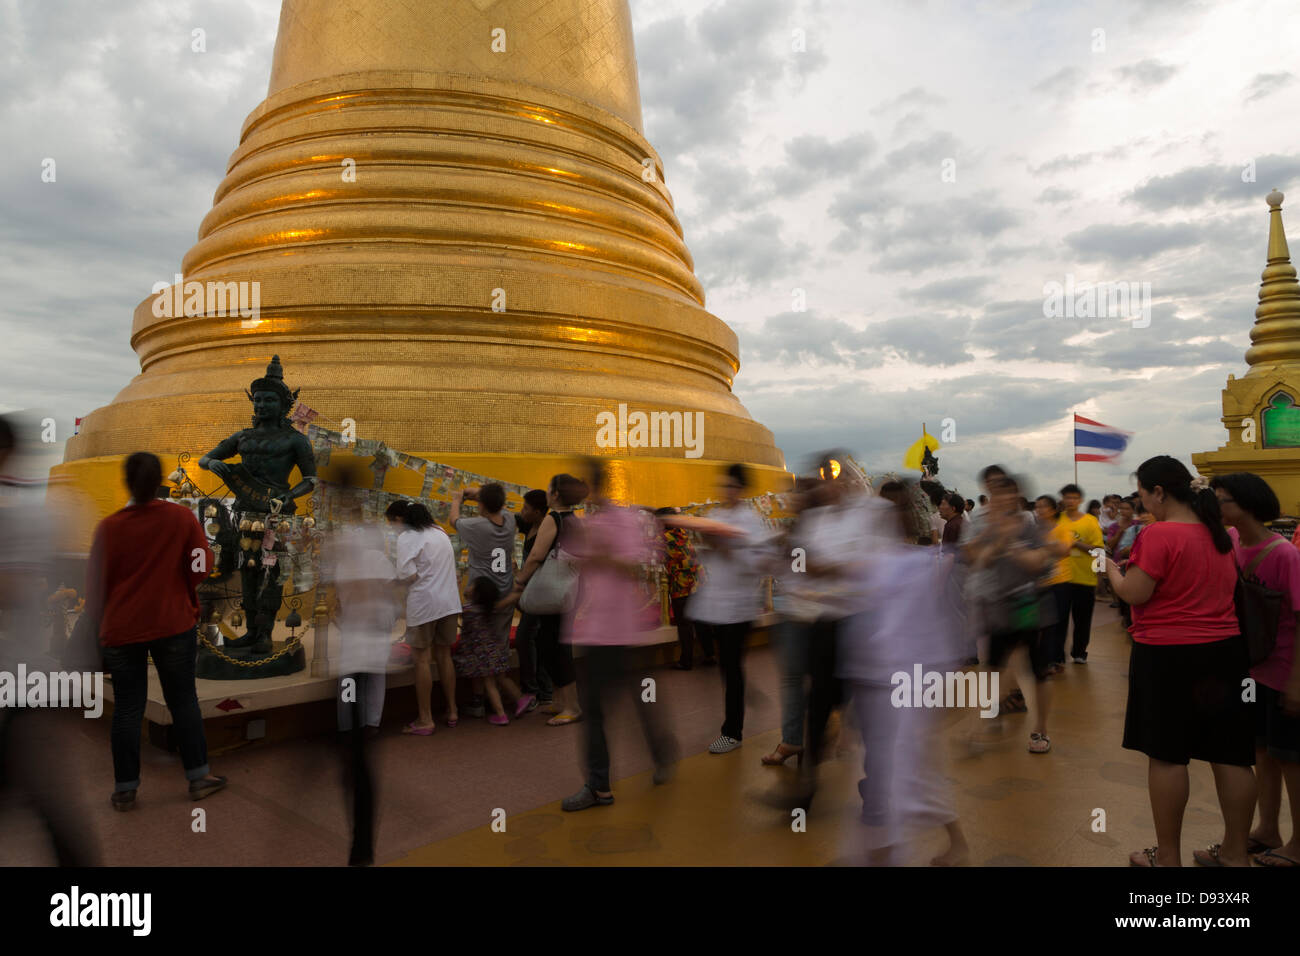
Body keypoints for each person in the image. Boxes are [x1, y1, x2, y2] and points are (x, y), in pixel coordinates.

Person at [1105, 456, 1255, 867]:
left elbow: (1136, 593)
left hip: (1167, 656)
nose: (1143, 503)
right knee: (1232, 756)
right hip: (1224, 653)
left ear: (1158, 492)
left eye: (1142, 494)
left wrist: (1112, 572)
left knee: (1168, 755)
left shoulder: (1159, 535)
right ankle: (1236, 855)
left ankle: (1167, 856)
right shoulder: (1221, 535)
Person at [85, 452, 226, 808]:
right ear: (161, 480)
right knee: (183, 700)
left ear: (127, 482)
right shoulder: (180, 518)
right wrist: (179, 587)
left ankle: (125, 788)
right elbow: (201, 564)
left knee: (128, 708)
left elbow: (95, 586)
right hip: (172, 622)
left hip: (122, 629)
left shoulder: (109, 528)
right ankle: (198, 776)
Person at [841, 479, 969, 865]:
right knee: (900, 778)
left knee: (898, 779)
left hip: (903, 685)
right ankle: (931, 846)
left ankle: (892, 851)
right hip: (880, 684)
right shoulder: (882, 563)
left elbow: (916, 631)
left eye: (890, 510)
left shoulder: (914, 565)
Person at [560, 460, 677, 810]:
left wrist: (601, 554)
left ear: (592, 485)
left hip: (616, 629)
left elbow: (634, 567)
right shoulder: (592, 522)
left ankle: (600, 786)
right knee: (626, 700)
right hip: (597, 628)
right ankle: (661, 749)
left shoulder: (624, 521)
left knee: (598, 710)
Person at [1211, 472, 1300, 867]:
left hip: (1283, 671)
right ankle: (1267, 829)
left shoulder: (1284, 555)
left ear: (1245, 504)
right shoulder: (1231, 544)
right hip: (1251, 670)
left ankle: (1298, 844)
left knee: (1291, 759)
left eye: (1222, 500)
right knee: (1262, 752)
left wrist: (1297, 682)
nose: (1216, 507)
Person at [683, 463, 771, 754]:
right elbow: (709, 557)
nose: (726, 491)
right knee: (727, 665)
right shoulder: (716, 516)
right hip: (717, 604)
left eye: (731, 486)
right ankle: (742, 700)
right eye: (723, 486)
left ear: (741, 489)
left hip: (738, 606)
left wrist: (727, 549)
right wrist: (707, 548)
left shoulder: (750, 520)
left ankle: (732, 731)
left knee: (731, 668)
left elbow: (758, 563)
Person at [966, 474, 1055, 753]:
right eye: (995, 495)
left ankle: (1040, 731)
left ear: (1016, 497)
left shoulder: (1030, 526)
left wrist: (1009, 544)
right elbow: (975, 558)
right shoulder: (990, 528)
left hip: (1031, 605)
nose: (1000, 500)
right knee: (993, 669)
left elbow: (1038, 561)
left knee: (1039, 672)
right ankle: (987, 722)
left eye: (1006, 494)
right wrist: (992, 541)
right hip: (1000, 607)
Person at [500, 474, 585, 726]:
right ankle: (559, 700)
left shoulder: (554, 517)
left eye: (550, 488)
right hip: (570, 590)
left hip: (554, 590)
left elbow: (537, 555)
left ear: (556, 494)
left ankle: (572, 705)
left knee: (555, 648)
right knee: (549, 642)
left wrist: (519, 583)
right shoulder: (573, 519)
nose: (547, 491)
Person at [451, 482, 533, 717]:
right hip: (504, 593)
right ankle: (496, 697)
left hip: (481, 597)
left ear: (482, 505)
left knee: (477, 648)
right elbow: (498, 504)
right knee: (496, 648)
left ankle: (480, 700)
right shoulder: (509, 520)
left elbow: (453, 520)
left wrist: (458, 498)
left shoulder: (476, 525)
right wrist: (481, 495)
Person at [396, 503, 461, 734]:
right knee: (444, 656)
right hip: (449, 603)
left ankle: (425, 719)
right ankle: (452, 710)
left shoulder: (407, 537)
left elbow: (408, 575)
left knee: (421, 660)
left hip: (424, 604)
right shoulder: (441, 533)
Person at [455, 577, 529, 724]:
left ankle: (501, 714)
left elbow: (455, 609)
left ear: (476, 593)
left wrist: (456, 587)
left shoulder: (468, 610)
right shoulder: (487, 608)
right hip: (494, 651)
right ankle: (521, 699)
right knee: (502, 678)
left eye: (471, 585)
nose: (468, 586)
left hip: (483, 655)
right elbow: (506, 602)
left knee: (490, 684)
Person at [513, 489, 553, 710]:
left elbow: (537, 559)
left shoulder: (546, 531)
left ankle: (532, 691)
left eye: (526, 508)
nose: (522, 511)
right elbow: (505, 515)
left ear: (538, 512)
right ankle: (544, 690)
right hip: (532, 592)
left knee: (524, 637)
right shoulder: (529, 525)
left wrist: (519, 579)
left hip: (540, 592)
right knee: (537, 639)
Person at [1056, 484, 1103, 663]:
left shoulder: (1090, 521)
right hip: (1060, 577)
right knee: (1059, 620)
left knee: (1082, 620)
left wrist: (1076, 543)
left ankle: (1079, 652)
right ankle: (1057, 655)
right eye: (1067, 497)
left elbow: (1098, 550)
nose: (1070, 501)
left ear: (1081, 500)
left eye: (1074, 498)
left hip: (1085, 578)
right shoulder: (1057, 519)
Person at [658, 506, 708, 669]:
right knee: (701, 621)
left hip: (681, 584)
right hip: (698, 581)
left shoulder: (663, 538)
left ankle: (686, 661)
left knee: (684, 625)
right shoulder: (685, 533)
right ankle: (709, 655)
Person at [1034, 495, 1074, 674]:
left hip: (1060, 581)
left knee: (1058, 622)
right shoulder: (1035, 531)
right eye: (1037, 507)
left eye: (1043, 507)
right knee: (1042, 624)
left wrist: (1045, 547)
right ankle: (1043, 658)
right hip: (1040, 582)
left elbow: (1064, 550)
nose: (1039, 510)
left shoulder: (1062, 529)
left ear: (1052, 510)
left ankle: (1056, 658)